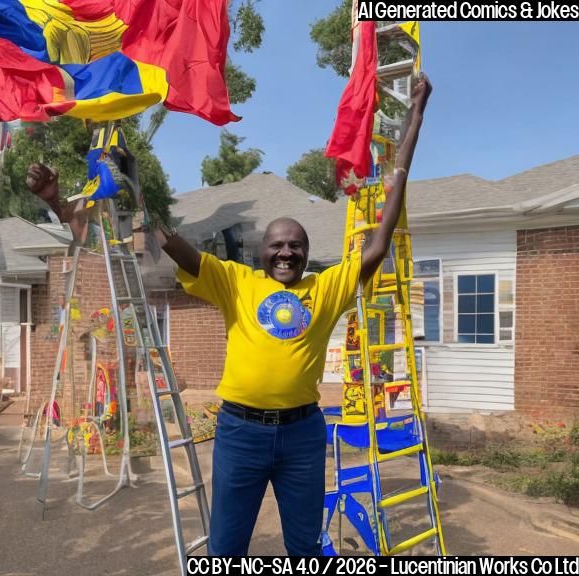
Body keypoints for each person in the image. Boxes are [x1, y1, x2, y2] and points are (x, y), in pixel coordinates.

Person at [27, 74, 431, 555]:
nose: (286, 253)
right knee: (226, 547)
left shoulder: (326, 288)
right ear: (261, 252)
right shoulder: (236, 281)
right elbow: (171, 244)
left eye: (295, 246)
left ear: (307, 253)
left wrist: (415, 120)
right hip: (240, 434)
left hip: (302, 436)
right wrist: (133, 191)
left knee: (304, 546)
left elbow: (379, 241)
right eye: (277, 245)